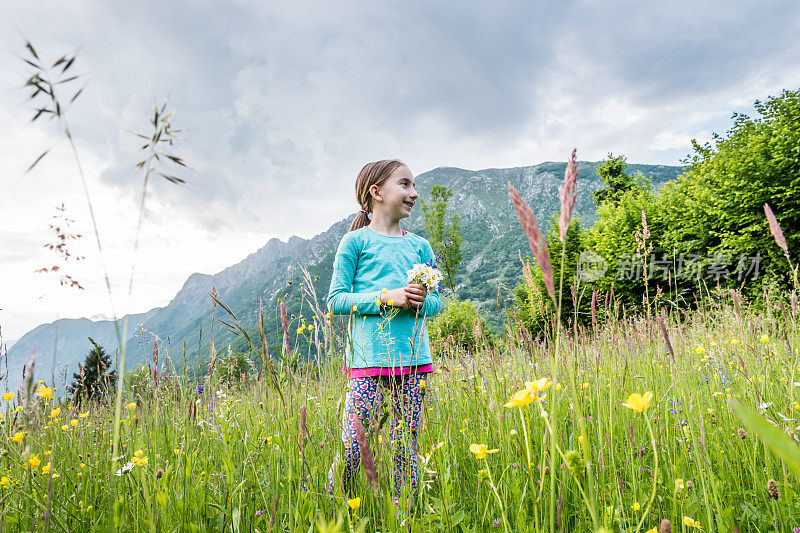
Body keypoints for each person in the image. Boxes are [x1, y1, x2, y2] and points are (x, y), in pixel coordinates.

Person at [326, 159, 442, 506]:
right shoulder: (354, 243)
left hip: (413, 363)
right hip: (369, 364)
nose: (414, 193)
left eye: (414, 186)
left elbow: (436, 304)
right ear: (376, 192)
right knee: (354, 448)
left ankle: (404, 515)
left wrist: (421, 301)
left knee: (406, 448)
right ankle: (335, 509)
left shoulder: (420, 246)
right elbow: (335, 300)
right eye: (405, 184)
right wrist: (385, 298)